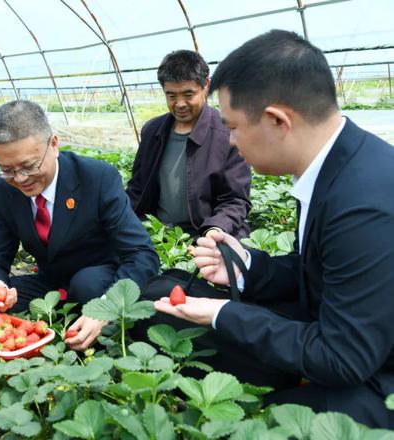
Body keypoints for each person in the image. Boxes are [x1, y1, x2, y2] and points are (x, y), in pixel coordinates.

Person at [152, 30, 394, 429]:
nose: (229, 141)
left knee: (272, 418)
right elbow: (318, 269)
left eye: (232, 127)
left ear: (278, 121)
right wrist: (248, 267)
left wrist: (224, 313)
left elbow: (343, 357)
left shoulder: (362, 204)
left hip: (376, 373)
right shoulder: (341, 164)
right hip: (356, 337)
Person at [0, 100, 159, 351]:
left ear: (54, 144)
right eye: (7, 169)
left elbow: (142, 255)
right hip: (51, 283)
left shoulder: (97, 178)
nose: (20, 179)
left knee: (87, 284)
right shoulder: (1, 190)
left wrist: (107, 306)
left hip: (101, 280)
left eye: (29, 166)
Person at [126, 50, 251, 238]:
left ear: (206, 85)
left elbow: (235, 200)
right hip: (158, 234)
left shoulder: (228, 133)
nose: (180, 103)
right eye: (172, 96)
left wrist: (214, 230)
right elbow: (137, 188)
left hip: (206, 234)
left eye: (188, 94)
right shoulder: (152, 131)